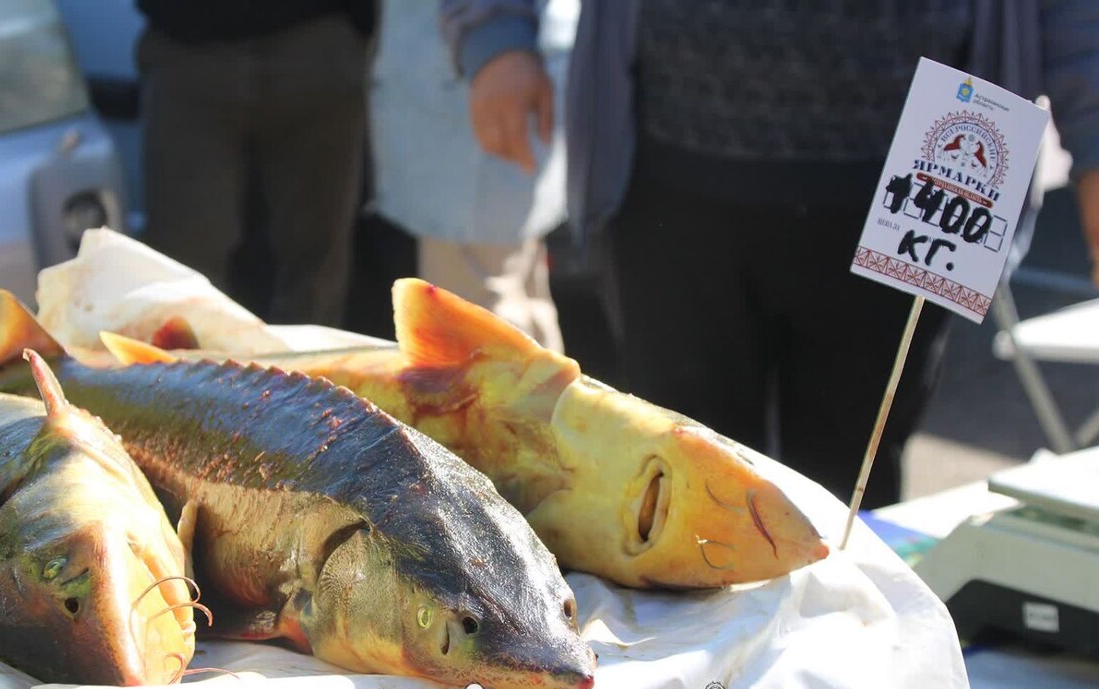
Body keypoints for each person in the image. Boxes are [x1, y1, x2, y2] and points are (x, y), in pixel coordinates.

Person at [441, 0, 1099, 509]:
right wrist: (495, 31)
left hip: (918, 188)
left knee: (852, 511)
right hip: (673, 182)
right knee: (682, 498)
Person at [136, 1, 374, 326]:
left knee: (315, 272)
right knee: (181, 274)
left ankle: (306, 364)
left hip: (319, 39)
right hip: (186, 42)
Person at [368, 0, 576, 351]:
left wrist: (496, 42)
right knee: (518, 296)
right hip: (488, 78)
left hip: (483, 87)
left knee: (476, 329)